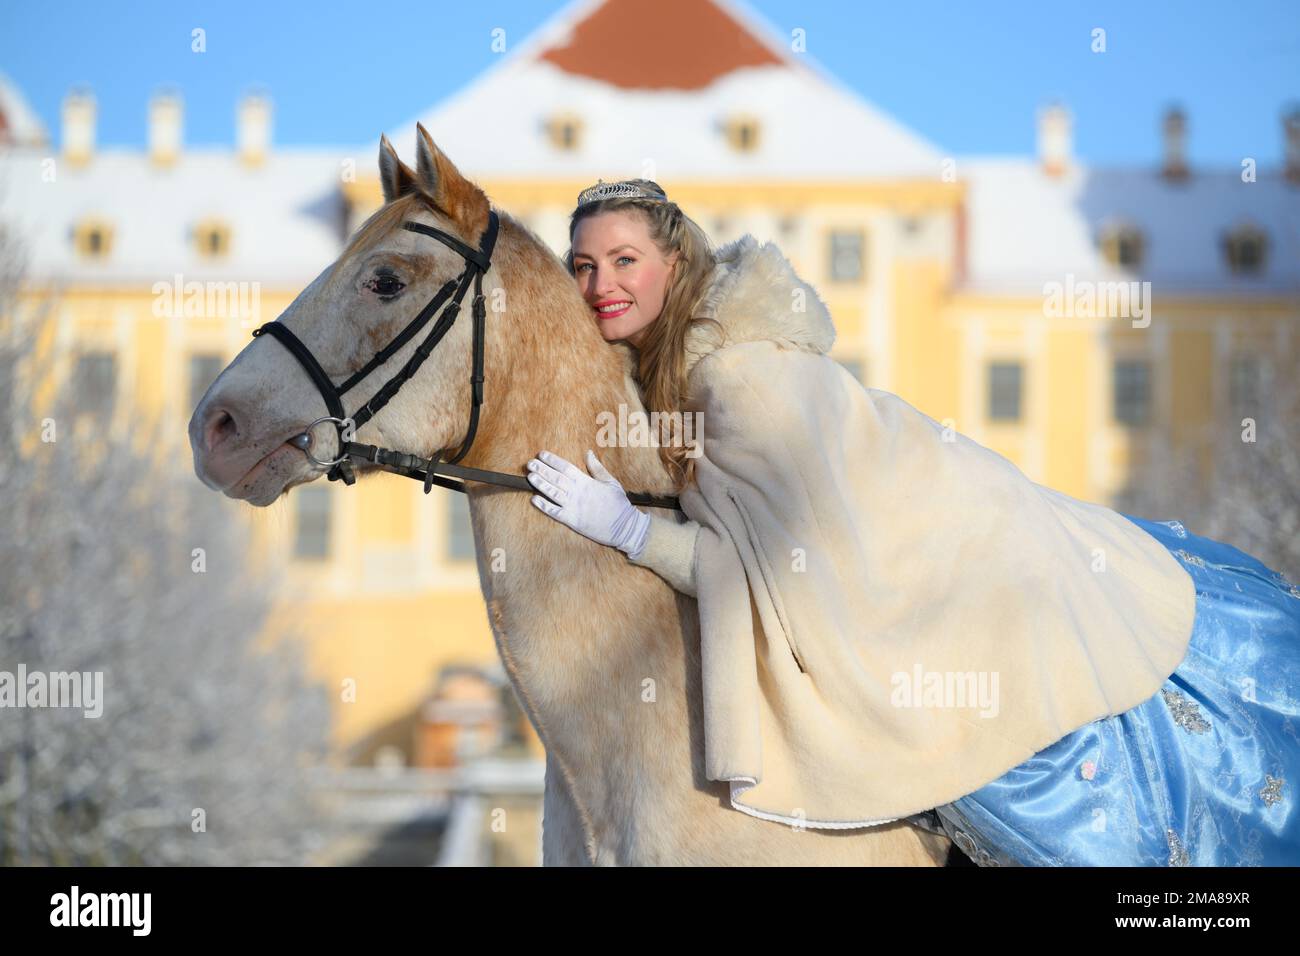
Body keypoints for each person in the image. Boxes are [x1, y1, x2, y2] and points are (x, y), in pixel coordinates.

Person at [523, 179, 1300, 865]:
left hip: (969, 559)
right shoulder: (681, 364)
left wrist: (628, 533)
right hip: (959, 530)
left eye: (625, 260)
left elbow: (770, 575)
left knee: (994, 769)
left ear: (676, 264)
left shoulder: (736, 376)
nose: (600, 284)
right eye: (584, 265)